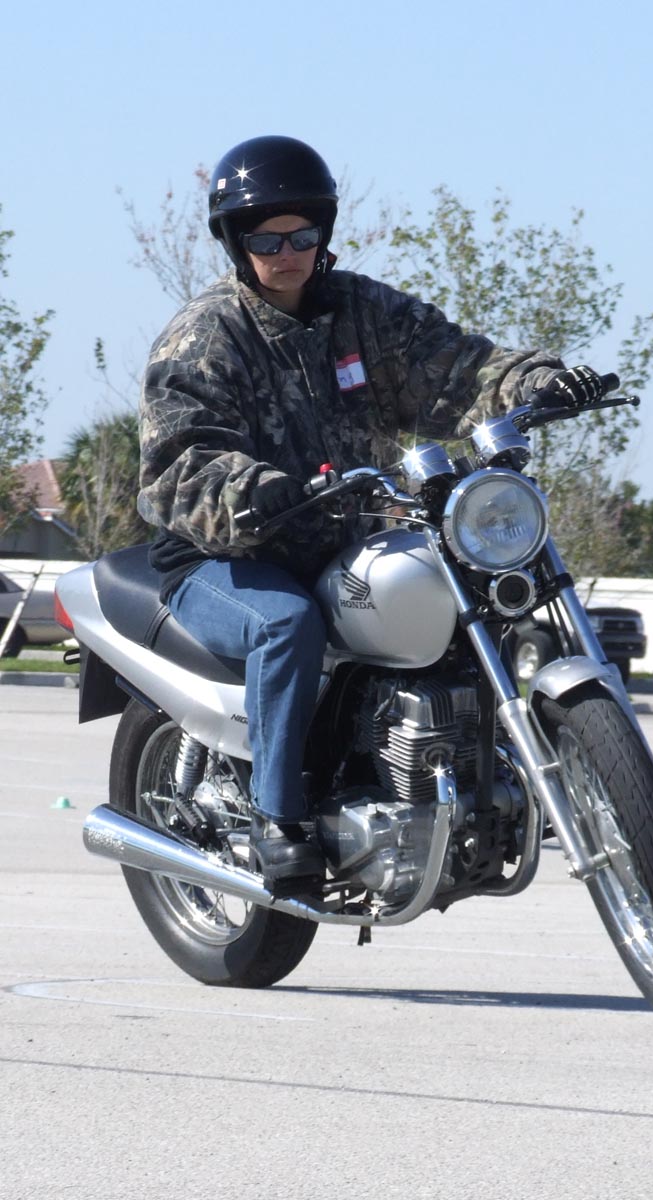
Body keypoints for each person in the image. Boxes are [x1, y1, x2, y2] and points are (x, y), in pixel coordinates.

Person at [138, 134, 605, 895]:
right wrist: (257, 488)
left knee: (462, 595)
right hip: (226, 556)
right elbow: (178, 463)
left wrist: (538, 382)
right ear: (236, 242)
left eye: (301, 235)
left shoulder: (362, 311)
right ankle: (279, 821)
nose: (287, 253)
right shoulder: (206, 336)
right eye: (266, 240)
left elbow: (459, 367)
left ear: (322, 231)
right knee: (287, 623)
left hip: (348, 544)